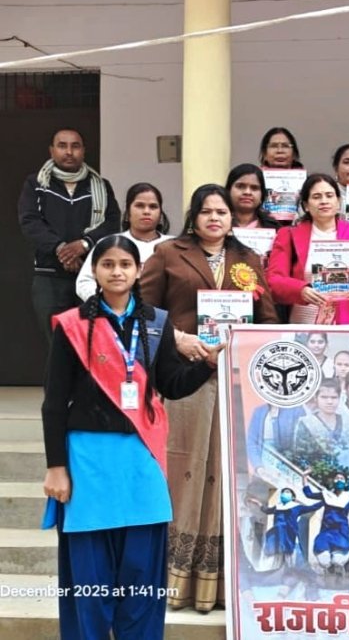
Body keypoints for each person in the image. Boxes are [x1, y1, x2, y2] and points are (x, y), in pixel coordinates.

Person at [41, 234, 218, 640]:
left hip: (142, 459)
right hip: (88, 460)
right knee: (89, 581)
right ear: (95, 271)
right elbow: (54, 403)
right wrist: (56, 468)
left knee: (141, 578)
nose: (117, 272)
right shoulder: (71, 325)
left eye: (125, 264)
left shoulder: (156, 322)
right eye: (108, 264)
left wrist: (207, 365)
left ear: (138, 271)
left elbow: (170, 385)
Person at [139, 184, 279, 612]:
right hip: (185, 375)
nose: (215, 218)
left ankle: (215, 586)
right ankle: (172, 580)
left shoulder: (247, 259)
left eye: (222, 212)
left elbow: (268, 318)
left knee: (224, 471)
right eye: (206, 212)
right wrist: (178, 338)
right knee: (185, 466)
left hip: (235, 380)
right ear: (193, 217)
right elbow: (141, 311)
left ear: (232, 218)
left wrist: (248, 343)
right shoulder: (168, 253)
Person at [19, 127, 121, 345]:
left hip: (91, 275)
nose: (69, 152)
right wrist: (61, 249)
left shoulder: (100, 186)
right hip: (49, 277)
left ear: (83, 151)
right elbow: (30, 222)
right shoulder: (36, 184)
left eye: (75, 146)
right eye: (62, 146)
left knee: (94, 342)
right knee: (57, 344)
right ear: (51, 150)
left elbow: (112, 222)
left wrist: (84, 244)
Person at [267, 173, 349, 324]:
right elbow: (274, 280)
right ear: (306, 205)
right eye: (316, 197)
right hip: (303, 324)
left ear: (338, 202)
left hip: (346, 323)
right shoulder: (288, 235)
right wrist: (301, 290)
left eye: (329, 195)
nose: (324, 201)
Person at [76, 183, 172, 302]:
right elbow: (84, 282)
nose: (146, 211)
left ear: (160, 214)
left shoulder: (173, 245)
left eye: (153, 207)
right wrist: (107, 303)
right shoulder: (110, 243)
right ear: (127, 213)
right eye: (139, 206)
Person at [301, 471, 349, 577]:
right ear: (333, 481)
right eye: (337, 478)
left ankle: (342, 568)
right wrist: (304, 476)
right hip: (326, 532)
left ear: (345, 482)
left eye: (342, 478)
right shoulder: (326, 494)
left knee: (338, 561)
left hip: (341, 533)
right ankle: (329, 571)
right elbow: (308, 494)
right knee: (323, 561)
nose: (339, 480)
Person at [253, 488, 321, 568]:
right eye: (283, 492)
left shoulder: (297, 507)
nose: (284, 494)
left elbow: (312, 507)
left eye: (287, 492)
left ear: (292, 497)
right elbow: (267, 510)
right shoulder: (278, 507)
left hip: (289, 534)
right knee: (276, 557)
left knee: (289, 557)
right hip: (278, 534)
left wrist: (324, 501)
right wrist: (258, 503)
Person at [225, 163, 282, 229]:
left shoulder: (274, 229)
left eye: (254, 188)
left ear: (262, 194)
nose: (247, 192)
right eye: (240, 186)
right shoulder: (218, 223)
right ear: (229, 190)